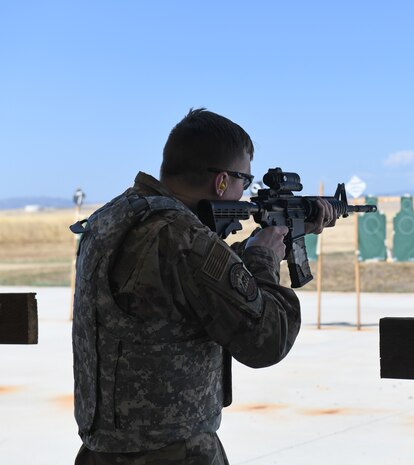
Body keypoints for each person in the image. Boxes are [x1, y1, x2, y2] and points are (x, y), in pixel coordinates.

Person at [71, 108, 335, 464]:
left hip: (101, 450)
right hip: (173, 453)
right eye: (245, 180)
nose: (246, 194)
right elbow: (268, 339)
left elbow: (180, 285)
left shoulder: (113, 218)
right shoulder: (185, 239)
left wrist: (254, 247)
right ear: (222, 181)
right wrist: (263, 259)